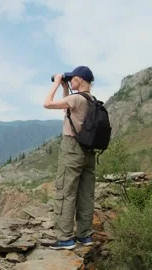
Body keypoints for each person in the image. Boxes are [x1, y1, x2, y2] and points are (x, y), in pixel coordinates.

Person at [43, 66, 96, 250]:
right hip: (89, 153)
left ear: (79, 80)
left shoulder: (76, 99)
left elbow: (47, 103)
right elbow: (68, 113)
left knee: (66, 192)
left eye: (73, 78)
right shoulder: (91, 100)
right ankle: (85, 235)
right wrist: (66, 87)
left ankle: (65, 238)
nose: (71, 80)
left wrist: (57, 83)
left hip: (72, 149)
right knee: (85, 194)